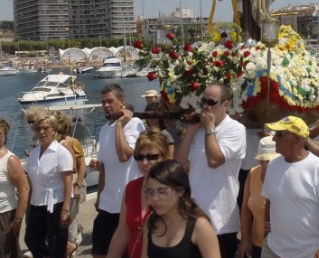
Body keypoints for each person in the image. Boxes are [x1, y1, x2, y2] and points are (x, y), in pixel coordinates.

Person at [174, 83, 246, 258]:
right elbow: (178, 162)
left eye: (211, 102)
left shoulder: (235, 129)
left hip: (221, 221)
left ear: (225, 104)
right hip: (193, 216)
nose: (206, 106)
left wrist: (209, 128)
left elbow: (215, 160)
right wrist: (191, 130)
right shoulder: (199, 130)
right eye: (203, 101)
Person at [261, 116, 319, 258]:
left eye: (279, 135)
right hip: (273, 250)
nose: (274, 139)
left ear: (296, 138)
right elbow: (270, 201)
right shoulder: (272, 165)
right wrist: (267, 230)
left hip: (310, 253)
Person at [90, 84, 146, 258]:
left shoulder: (135, 124)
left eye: (110, 101)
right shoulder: (104, 129)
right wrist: (99, 196)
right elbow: (105, 169)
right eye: (103, 102)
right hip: (107, 203)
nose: (106, 105)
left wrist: (120, 125)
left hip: (127, 205)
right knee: (99, 252)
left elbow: (124, 155)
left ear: (121, 101)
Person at [107, 128, 171, 258]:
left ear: (165, 156)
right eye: (139, 157)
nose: (145, 162)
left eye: (152, 157)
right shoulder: (131, 188)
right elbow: (122, 233)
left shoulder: (176, 189)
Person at [141, 159, 221, 258]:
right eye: (150, 192)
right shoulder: (150, 223)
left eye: (162, 191)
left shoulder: (199, 226)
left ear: (180, 191)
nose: (155, 198)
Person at [24, 112, 73, 258]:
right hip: (37, 203)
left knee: (56, 244)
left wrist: (65, 209)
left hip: (56, 203)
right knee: (31, 240)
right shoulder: (33, 154)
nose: (41, 132)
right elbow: (31, 180)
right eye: (38, 128)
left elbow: (68, 181)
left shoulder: (61, 152)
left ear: (54, 129)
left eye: (46, 128)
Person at [239, 135, 280, 258]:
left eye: (269, 161)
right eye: (262, 160)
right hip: (258, 244)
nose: (265, 165)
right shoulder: (253, 173)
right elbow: (245, 209)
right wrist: (245, 240)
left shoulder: (288, 176)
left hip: (282, 247)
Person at [53, 110, 86, 257]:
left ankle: (71, 247)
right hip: (59, 189)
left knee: (69, 220)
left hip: (71, 186)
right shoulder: (51, 144)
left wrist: (78, 185)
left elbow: (78, 166)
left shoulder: (69, 143)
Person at [0, 118, 29, 258]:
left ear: (5, 135)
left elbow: (24, 189)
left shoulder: (10, 160)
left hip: (5, 214)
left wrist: (18, 219)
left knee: (6, 253)